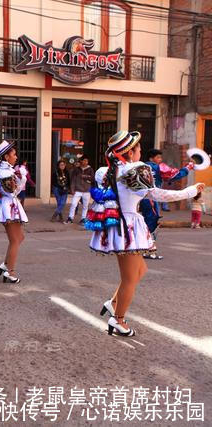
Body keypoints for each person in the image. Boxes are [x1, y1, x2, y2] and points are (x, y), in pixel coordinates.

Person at [89, 130, 204, 337]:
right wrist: (190, 191)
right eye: (138, 148)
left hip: (122, 226)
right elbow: (158, 194)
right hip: (128, 227)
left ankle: (114, 303)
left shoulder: (112, 171)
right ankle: (118, 319)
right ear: (130, 153)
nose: (140, 151)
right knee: (130, 279)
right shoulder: (133, 171)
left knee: (140, 270)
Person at [139, 148, 194, 260]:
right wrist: (187, 168)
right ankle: (150, 250)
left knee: (145, 222)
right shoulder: (158, 167)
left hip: (141, 198)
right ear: (151, 158)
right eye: (158, 157)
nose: (160, 159)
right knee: (153, 222)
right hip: (152, 198)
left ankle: (144, 249)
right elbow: (174, 175)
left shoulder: (140, 167)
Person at [0, 141, 28, 283]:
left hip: (9, 205)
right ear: (6, 157)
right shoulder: (5, 172)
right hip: (8, 206)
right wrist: (22, 180)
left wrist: (20, 180)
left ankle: (5, 265)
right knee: (15, 240)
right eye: (14, 154)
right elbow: (11, 192)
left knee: (19, 238)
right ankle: (10, 272)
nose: (16, 157)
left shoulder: (6, 170)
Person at [65, 156, 94, 224]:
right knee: (73, 204)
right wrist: (72, 189)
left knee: (85, 206)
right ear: (81, 161)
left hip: (86, 190)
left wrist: (85, 176)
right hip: (77, 190)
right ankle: (70, 218)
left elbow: (93, 178)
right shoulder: (76, 170)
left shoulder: (90, 169)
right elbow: (73, 180)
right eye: (84, 161)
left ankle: (83, 218)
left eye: (86, 161)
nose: (85, 162)